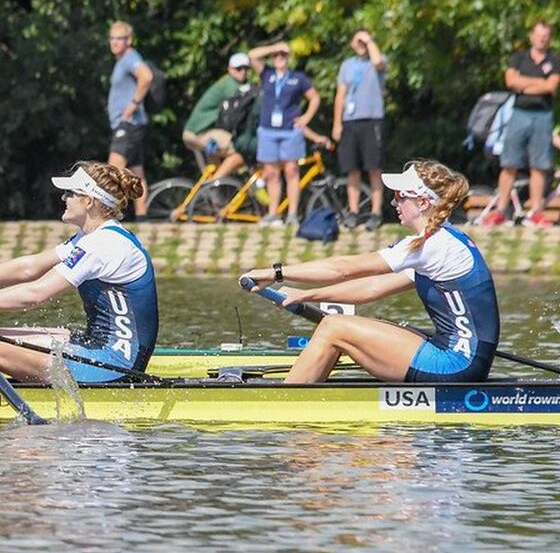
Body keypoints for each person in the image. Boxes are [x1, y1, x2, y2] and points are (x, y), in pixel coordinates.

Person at [240, 160, 497, 384]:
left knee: (333, 327)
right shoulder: (444, 240)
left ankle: (285, 402)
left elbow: (343, 269)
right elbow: (372, 287)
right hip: (465, 359)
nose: (393, 201)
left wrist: (276, 272)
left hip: (456, 366)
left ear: (422, 202)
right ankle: (307, 389)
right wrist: (306, 295)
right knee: (361, 325)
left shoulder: (431, 245)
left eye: (400, 196)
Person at [0, 161, 156, 384]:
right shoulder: (91, 237)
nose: (64, 198)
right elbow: (29, 268)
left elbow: (35, 294)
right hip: (95, 348)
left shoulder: (104, 244)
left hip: (112, 366)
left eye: (70, 193)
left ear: (88, 201)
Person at [481, 21, 558, 228]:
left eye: (546, 35)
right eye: (539, 35)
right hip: (519, 113)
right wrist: (537, 84)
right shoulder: (518, 57)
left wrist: (524, 85)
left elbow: (551, 86)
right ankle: (501, 211)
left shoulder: (554, 59)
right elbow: (511, 82)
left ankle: (535, 212)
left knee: (539, 165)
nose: (542, 38)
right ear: (531, 36)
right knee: (509, 162)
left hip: (542, 114)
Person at [247, 40, 329, 225]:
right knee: (271, 173)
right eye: (276, 55)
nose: (279, 58)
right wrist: (275, 47)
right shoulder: (267, 74)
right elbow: (251, 55)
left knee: (291, 171)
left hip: (290, 131)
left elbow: (314, 98)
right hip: (268, 130)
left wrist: (306, 117)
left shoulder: (298, 78)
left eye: (283, 55)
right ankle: (273, 213)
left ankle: (292, 214)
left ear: (289, 58)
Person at [332, 29, 388, 231]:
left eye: (364, 40)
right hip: (350, 121)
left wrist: (369, 40)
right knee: (352, 169)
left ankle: (376, 212)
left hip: (372, 120)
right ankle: (354, 211)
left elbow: (377, 61)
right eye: (358, 40)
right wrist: (337, 123)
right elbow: (340, 95)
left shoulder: (379, 61)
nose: (361, 44)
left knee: (374, 167)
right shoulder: (347, 65)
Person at [181, 51, 254, 180]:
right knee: (241, 151)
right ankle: (217, 184)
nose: (243, 71)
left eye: (246, 68)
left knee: (215, 170)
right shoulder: (230, 85)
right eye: (238, 68)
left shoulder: (229, 82)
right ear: (230, 69)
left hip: (196, 133)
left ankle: (214, 195)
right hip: (200, 132)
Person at [105, 21, 153, 213]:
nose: (115, 42)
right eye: (112, 38)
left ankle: (106, 218)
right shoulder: (122, 61)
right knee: (136, 174)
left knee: (112, 172)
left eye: (120, 39)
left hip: (129, 125)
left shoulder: (130, 58)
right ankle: (143, 218)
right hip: (130, 125)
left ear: (129, 40)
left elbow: (146, 76)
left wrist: (133, 105)